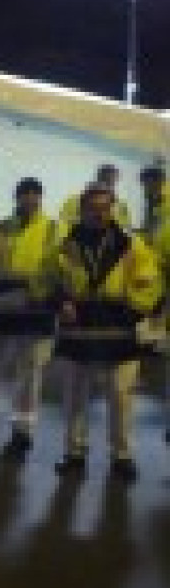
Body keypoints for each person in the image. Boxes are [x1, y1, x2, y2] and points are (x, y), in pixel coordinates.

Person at [50, 185, 163, 482]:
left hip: (119, 329)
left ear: (112, 209)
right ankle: (74, 454)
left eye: (105, 208)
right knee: (75, 397)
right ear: (82, 209)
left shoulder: (131, 245)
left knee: (121, 396)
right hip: (78, 329)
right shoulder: (64, 245)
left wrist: (130, 314)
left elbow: (149, 283)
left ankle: (122, 456)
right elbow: (49, 279)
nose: (99, 214)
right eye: (93, 208)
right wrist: (60, 302)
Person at [0, 178, 59, 456]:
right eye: (25, 194)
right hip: (0, 305)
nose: (30, 199)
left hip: (35, 308)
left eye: (35, 194)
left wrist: (44, 293)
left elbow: (60, 267)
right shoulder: (1, 229)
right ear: (16, 197)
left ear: (41, 197)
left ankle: (22, 432)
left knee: (30, 374)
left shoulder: (53, 229)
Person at [137, 164, 170, 442]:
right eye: (143, 184)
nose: (145, 189)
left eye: (149, 183)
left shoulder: (165, 206)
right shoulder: (154, 207)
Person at [58, 163, 132, 234]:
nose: (107, 185)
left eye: (111, 182)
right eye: (104, 180)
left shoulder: (122, 207)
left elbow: (125, 229)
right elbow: (63, 224)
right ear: (98, 178)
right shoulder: (74, 200)